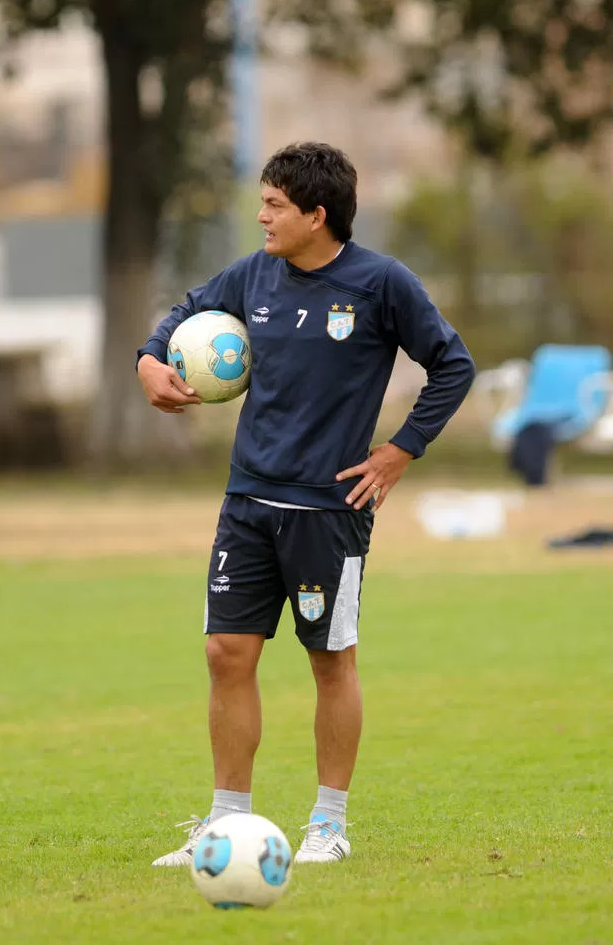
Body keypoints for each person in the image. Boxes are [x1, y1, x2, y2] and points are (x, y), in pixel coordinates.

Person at [137, 142, 475, 866]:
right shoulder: (254, 274)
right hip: (247, 501)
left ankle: (328, 824)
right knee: (226, 653)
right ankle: (227, 823)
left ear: (317, 215)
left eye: (274, 206)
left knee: (330, 661)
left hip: (329, 510)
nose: (261, 216)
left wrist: (400, 449)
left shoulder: (382, 284)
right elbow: (183, 315)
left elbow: (453, 364)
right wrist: (148, 364)